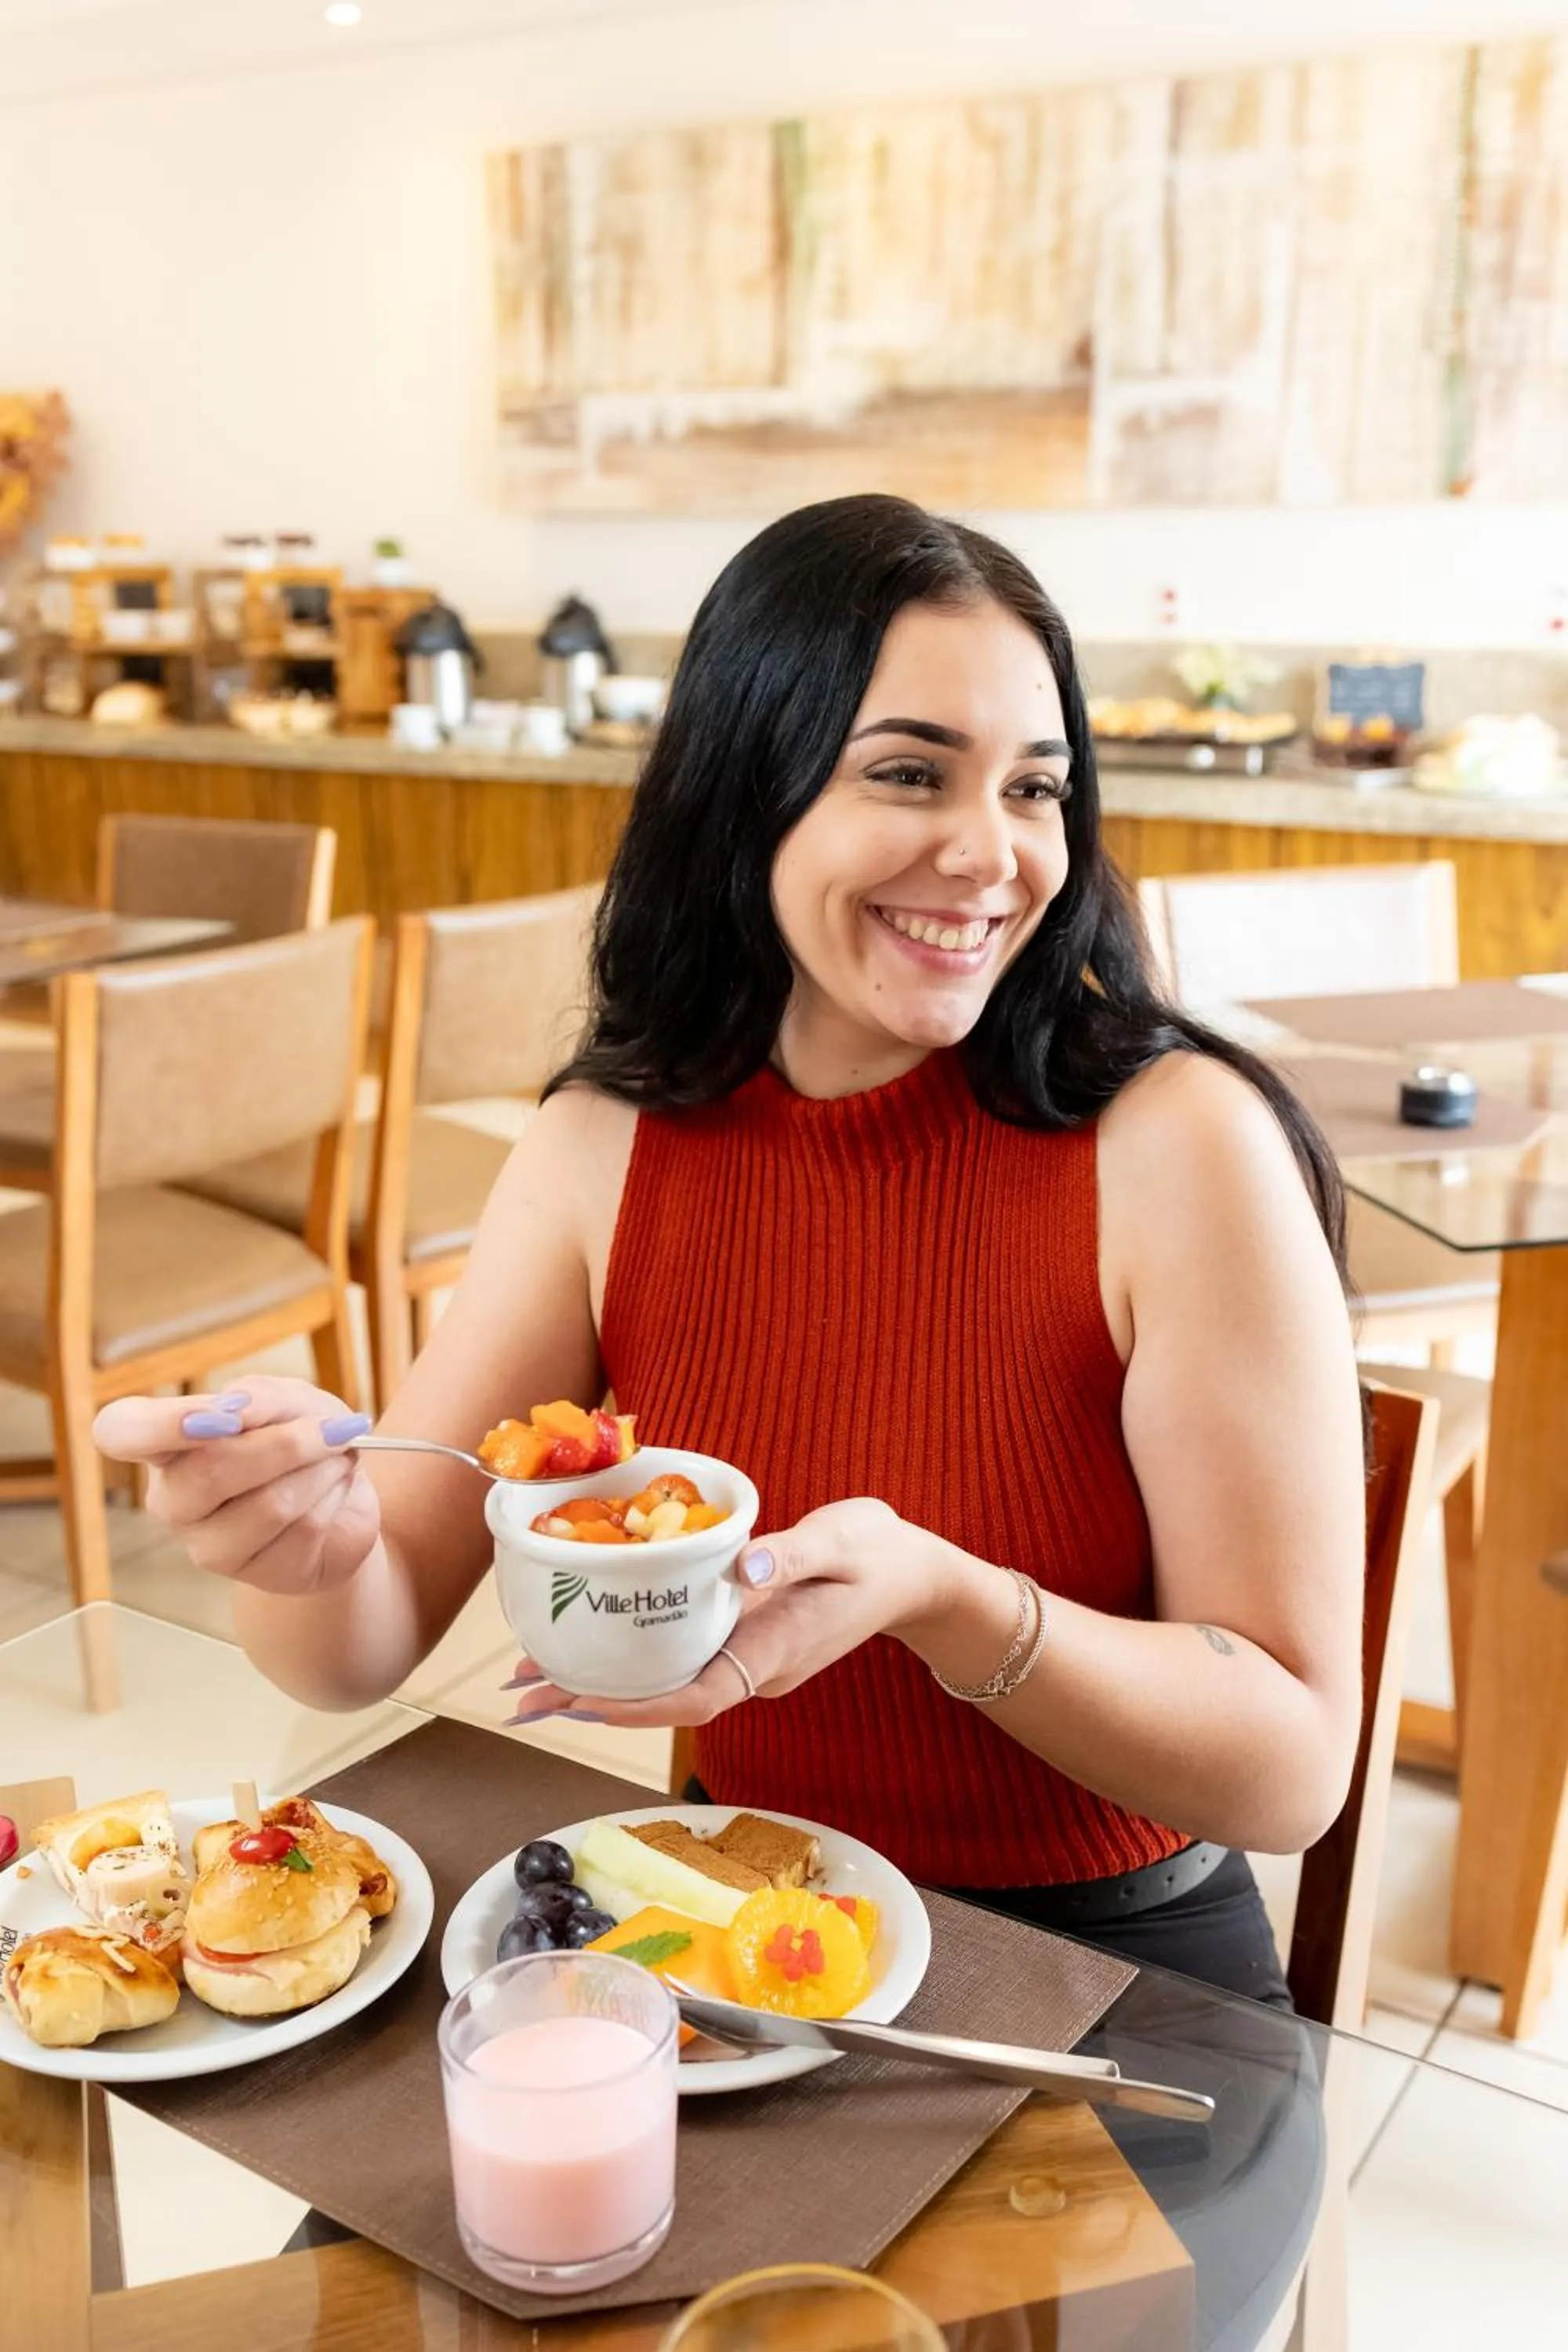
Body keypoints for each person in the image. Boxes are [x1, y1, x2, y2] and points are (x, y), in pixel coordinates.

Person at [99, 496, 1360, 2343]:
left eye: (1035, 786)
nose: (992, 852)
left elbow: (1292, 1764)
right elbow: (358, 1629)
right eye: (909, 773)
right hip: (717, 1947)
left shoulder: (1177, 1146)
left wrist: (953, 1604)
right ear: (745, 786)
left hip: (1114, 1986)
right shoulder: (605, 1145)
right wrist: (292, 1540)